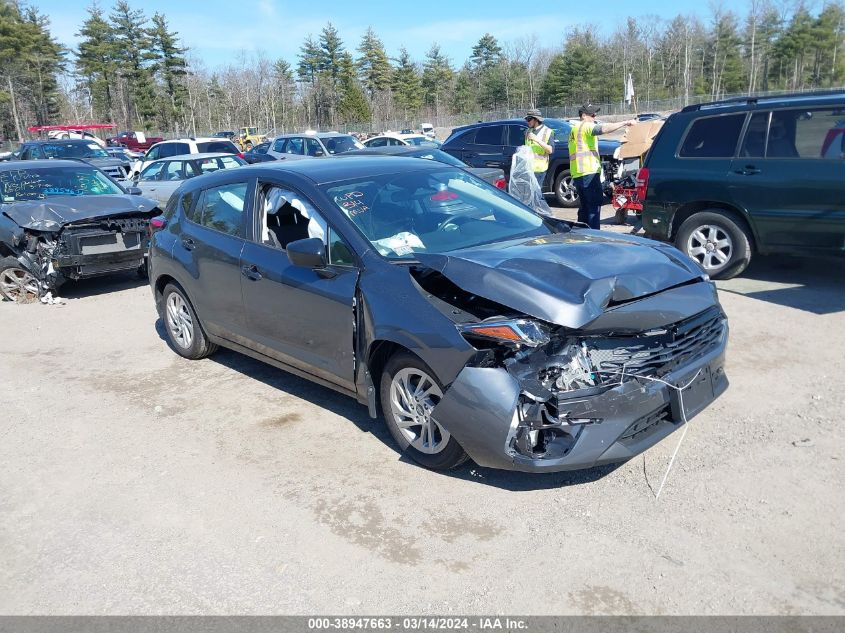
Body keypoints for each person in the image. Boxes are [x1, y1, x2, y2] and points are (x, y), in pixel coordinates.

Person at [569, 104, 636, 229]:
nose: (595, 117)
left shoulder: (575, 129)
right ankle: (594, 236)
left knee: (585, 208)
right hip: (588, 172)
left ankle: (581, 235)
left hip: (578, 173)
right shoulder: (585, 126)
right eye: (592, 115)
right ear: (583, 116)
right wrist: (625, 122)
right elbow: (604, 129)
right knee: (593, 208)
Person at [524, 109, 554, 188]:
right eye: (527, 119)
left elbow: (550, 150)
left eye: (529, 119)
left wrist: (536, 139)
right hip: (528, 169)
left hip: (539, 169)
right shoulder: (528, 131)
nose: (528, 121)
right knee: (530, 194)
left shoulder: (547, 131)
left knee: (537, 193)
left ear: (536, 119)